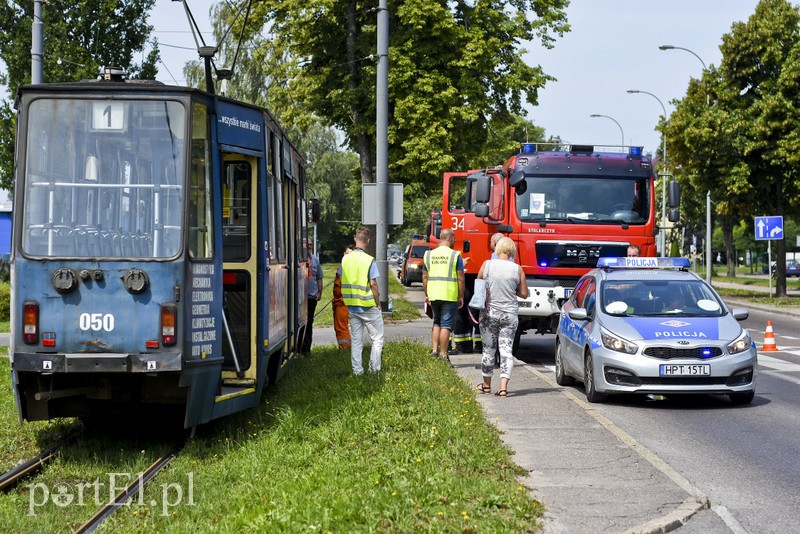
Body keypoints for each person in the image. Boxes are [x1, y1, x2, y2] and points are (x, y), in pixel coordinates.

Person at [476, 237, 529, 397]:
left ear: (497, 249)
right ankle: (503, 387)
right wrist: (513, 290)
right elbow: (524, 294)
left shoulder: (487, 265)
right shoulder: (517, 269)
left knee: (488, 350)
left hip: (489, 314)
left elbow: (479, 285)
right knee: (506, 351)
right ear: (512, 251)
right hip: (509, 315)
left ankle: (486, 386)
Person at [341, 227, 383, 375]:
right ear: (369, 241)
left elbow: (341, 277)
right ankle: (374, 370)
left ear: (355, 239)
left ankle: (357, 371)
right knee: (377, 339)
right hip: (368, 305)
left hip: (352, 306)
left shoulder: (345, 259)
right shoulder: (368, 260)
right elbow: (373, 284)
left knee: (357, 341)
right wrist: (378, 303)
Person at [422, 228, 465, 362]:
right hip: (449, 294)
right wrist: (461, 296)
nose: (455, 241)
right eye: (454, 239)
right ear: (450, 238)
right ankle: (443, 354)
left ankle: (434, 350)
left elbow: (424, 277)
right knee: (446, 325)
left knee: (436, 322)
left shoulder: (429, 255)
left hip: (433, 294)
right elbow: (460, 279)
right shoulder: (455, 255)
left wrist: (427, 293)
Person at [300, 239, 323, 355]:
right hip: (300, 298)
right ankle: (298, 348)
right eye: (307, 245)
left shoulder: (315, 260)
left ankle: (306, 350)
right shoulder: (298, 259)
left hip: (311, 297)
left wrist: (320, 292)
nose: (309, 246)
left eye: (310, 245)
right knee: (301, 323)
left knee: (309, 323)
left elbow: (319, 277)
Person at [332, 246, 354, 349]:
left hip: (343, 302)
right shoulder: (343, 267)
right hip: (338, 301)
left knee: (342, 327)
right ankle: (344, 347)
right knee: (339, 326)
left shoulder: (347, 268)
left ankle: (345, 348)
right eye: (346, 254)